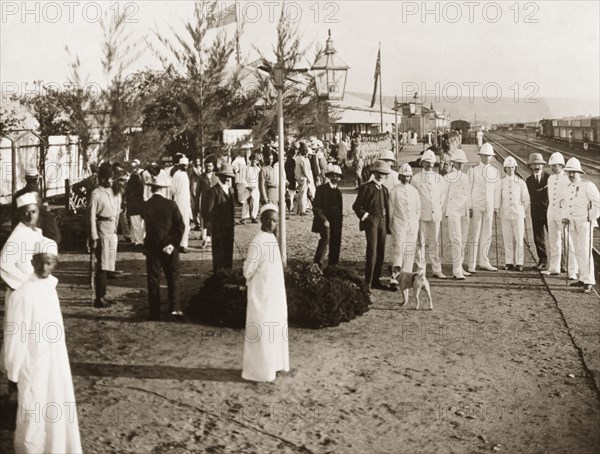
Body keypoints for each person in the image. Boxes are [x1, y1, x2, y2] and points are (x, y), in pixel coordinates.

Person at [3, 237, 83, 453]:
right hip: (32, 363)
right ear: (33, 260)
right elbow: (15, 334)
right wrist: (13, 371)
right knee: (33, 417)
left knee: (57, 410)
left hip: (55, 363)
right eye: (42, 261)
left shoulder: (50, 287)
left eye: (51, 262)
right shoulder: (21, 293)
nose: (46, 267)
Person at [242, 204, 290, 382]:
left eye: (276, 220)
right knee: (262, 331)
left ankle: (274, 365)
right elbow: (248, 269)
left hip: (274, 295)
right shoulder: (259, 240)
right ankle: (261, 371)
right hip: (261, 294)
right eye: (270, 219)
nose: (273, 223)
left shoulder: (271, 240)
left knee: (274, 330)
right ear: (262, 220)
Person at [0, 192, 44, 372]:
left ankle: (27, 372)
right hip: (21, 294)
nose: (30, 216)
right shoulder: (18, 236)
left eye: (33, 212)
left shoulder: (35, 233)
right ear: (20, 214)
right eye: (26, 212)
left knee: (31, 336)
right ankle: (13, 380)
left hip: (34, 293)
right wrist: (23, 282)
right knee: (18, 338)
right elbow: (3, 264)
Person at [142, 172, 185, 320]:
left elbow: (146, 226)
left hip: (152, 247)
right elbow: (180, 226)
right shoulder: (171, 205)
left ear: (152, 188)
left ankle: (154, 312)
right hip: (169, 246)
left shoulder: (146, 206)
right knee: (173, 277)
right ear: (163, 189)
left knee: (153, 279)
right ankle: (174, 308)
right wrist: (172, 243)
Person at [561, 158, 599, 294]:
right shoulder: (569, 187)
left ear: (579, 172)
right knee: (577, 250)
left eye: (573, 172)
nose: (570, 175)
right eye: (568, 172)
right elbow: (566, 204)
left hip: (584, 223)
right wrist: (565, 216)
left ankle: (589, 281)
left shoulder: (587, 185)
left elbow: (597, 202)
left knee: (585, 251)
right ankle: (582, 278)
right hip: (572, 223)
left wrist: (591, 216)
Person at [352, 161, 391, 293]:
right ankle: (367, 282)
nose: (380, 176)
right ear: (374, 173)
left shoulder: (385, 190)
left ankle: (376, 280)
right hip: (372, 221)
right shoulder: (366, 188)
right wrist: (366, 217)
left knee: (381, 251)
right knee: (372, 251)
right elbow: (356, 206)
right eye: (378, 173)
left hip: (382, 221)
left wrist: (387, 224)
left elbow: (387, 208)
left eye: (383, 174)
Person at [88, 163, 120, 308]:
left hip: (111, 230)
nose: (110, 181)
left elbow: (116, 210)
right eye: (107, 179)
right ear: (101, 179)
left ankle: (104, 295)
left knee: (108, 265)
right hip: (101, 230)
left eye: (111, 179)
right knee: (101, 266)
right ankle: (98, 298)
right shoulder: (96, 194)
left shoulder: (112, 192)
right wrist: (94, 236)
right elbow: (91, 217)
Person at [542, 152, 578, 278]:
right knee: (553, 241)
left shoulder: (567, 178)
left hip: (563, 213)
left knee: (569, 242)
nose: (552, 168)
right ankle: (554, 267)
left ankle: (573, 271)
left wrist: (568, 213)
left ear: (561, 165)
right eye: (551, 165)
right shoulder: (550, 178)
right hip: (551, 212)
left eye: (555, 165)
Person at [412, 149, 447, 279]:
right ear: (422, 163)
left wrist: (438, 208)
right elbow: (414, 197)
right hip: (421, 215)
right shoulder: (415, 179)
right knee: (420, 242)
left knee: (435, 242)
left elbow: (442, 196)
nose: (429, 164)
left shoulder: (439, 178)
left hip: (435, 215)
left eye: (431, 162)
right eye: (426, 162)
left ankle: (436, 269)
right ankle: (421, 270)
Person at [466, 142, 501, 272]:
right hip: (476, 206)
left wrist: (496, 207)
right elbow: (468, 189)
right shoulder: (473, 170)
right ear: (480, 156)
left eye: (489, 156)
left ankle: (484, 261)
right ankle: (471, 264)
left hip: (489, 206)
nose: (487, 158)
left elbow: (497, 191)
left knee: (487, 234)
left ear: (492, 157)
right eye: (485, 156)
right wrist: (469, 206)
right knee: (474, 235)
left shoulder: (494, 171)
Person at [389, 163, 421, 290]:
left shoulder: (414, 191)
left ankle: (406, 278)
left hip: (412, 225)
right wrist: (391, 226)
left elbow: (418, 209)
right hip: (399, 225)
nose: (406, 178)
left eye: (408, 176)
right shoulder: (394, 191)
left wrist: (415, 223)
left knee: (409, 251)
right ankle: (395, 277)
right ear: (400, 177)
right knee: (399, 251)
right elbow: (391, 211)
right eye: (403, 176)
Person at [11, 167, 61, 244]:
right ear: (37, 179)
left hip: (20, 234)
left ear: (25, 178)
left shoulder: (18, 195)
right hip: (37, 236)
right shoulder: (37, 196)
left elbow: (14, 217)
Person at [443, 149, 472, 279]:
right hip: (453, 211)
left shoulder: (465, 177)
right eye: (458, 163)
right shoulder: (447, 177)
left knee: (464, 240)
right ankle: (456, 270)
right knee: (456, 240)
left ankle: (460, 265)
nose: (461, 165)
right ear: (453, 163)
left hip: (464, 211)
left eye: (462, 163)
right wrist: (445, 211)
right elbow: (443, 196)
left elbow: (468, 195)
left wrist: (469, 208)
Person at [499, 157, 530, 271]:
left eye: (513, 167)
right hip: (505, 214)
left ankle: (519, 262)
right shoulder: (501, 182)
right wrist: (498, 209)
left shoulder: (521, 182)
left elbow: (526, 199)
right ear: (505, 169)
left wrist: (522, 210)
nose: (511, 169)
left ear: (515, 168)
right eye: (508, 167)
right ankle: (508, 262)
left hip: (518, 215)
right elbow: (498, 197)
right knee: (507, 238)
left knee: (519, 238)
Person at [205, 164, 236, 272]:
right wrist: (209, 230)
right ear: (220, 176)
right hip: (218, 229)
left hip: (229, 227)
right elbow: (208, 211)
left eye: (229, 176)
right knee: (219, 254)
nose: (227, 178)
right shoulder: (214, 191)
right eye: (225, 176)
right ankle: (218, 277)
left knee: (228, 253)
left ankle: (228, 275)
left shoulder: (231, 190)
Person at [312, 165, 343, 268]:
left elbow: (340, 209)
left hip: (336, 221)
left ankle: (333, 264)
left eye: (338, 176)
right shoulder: (321, 189)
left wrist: (339, 222)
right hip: (324, 220)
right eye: (333, 176)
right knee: (325, 238)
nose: (336, 178)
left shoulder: (338, 192)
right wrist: (324, 219)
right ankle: (318, 263)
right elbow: (316, 207)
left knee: (336, 240)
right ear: (329, 176)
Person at [525, 153, 549, 270]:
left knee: (556, 238)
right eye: (534, 164)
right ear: (530, 166)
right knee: (538, 237)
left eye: (538, 164)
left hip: (549, 212)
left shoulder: (549, 178)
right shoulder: (528, 181)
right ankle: (542, 260)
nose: (536, 166)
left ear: (542, 165)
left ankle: (560, 262)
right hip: (535, 212)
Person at [171, 156, 193, 253]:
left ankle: (183, 244)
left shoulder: (185, 174)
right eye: (183, 165)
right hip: (179, 201)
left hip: (185, 202)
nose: (185, 167)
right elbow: (173, 189)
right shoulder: (177, 174)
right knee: (180, 222)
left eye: (186, 165)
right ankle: (180, 244)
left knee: (186, 222)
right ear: (180, 165)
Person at [126, 159, 145, 246]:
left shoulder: (134, 178)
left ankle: (139, 241)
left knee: (136, 224)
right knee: (135, 224)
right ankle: (135, 240)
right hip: (136, 205)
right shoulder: (138, 178)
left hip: (134, 205)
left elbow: (130, 191)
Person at [198, 160, 218, 246]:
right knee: (205, 218)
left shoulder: (216, 176)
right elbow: (198, 191)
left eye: (210, 166)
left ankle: (211, 236)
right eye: (206, 166)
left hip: (215, 201)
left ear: (213, 166)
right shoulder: (201, 177)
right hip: (205, 201)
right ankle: (206, 237)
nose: (208, 168)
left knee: (214, 218)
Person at [240, 153, 261, 224]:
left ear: (257, 161)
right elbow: (243, 179)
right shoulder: (246, 168)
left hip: (255, 188)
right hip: (248, 187)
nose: (253, 162)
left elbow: (259, 180)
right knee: (245, 202)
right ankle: (244, 217)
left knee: (255, 202)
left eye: (255, 161)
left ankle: (254, 217)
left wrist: (254, 187)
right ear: (250, 160)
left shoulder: (258, 169)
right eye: (252, 160)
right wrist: (248, 186)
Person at [295, 144, 312, 215]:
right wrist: (308, 178)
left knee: (300, 194)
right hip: (303, 178)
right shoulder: (303, 160)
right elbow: (305, 170)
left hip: (298, 177)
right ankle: (302, 210)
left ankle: (299, 209)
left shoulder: (298, 158)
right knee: (303, 194)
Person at [189, 157, 203, 228]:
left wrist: (195, 170)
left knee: (199, 206)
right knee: (193, 207)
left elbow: (200, 175)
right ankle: (196, 223)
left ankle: (200, 223)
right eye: (196, 161)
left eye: (198, 161)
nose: (197, 163)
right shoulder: (191, 169)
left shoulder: (201, 169)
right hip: (192, 188)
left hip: (198, 189)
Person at [284, 148, 297, 213]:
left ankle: (288, 206)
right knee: (291, 194)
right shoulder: (293, 161)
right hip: (292, 178)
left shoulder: (286, 161)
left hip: (287, 177)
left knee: (288, 193)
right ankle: (290, 207)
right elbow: (293, 170)